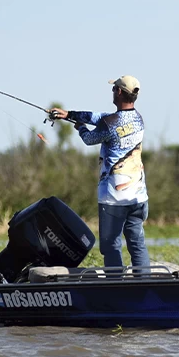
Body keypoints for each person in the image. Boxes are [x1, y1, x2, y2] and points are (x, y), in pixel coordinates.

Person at [49, 76, 149, 270]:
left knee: (111, 245)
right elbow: (99, 117)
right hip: (138, 197)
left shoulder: (110, 123)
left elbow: (90, 138)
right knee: (136, 243)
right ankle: (143, 282)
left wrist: (80, 127)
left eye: (114, 89)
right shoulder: (138, 119)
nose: (112, 91)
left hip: (114, 198)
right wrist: (69, 113)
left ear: (119, 92)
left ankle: (115, 284)